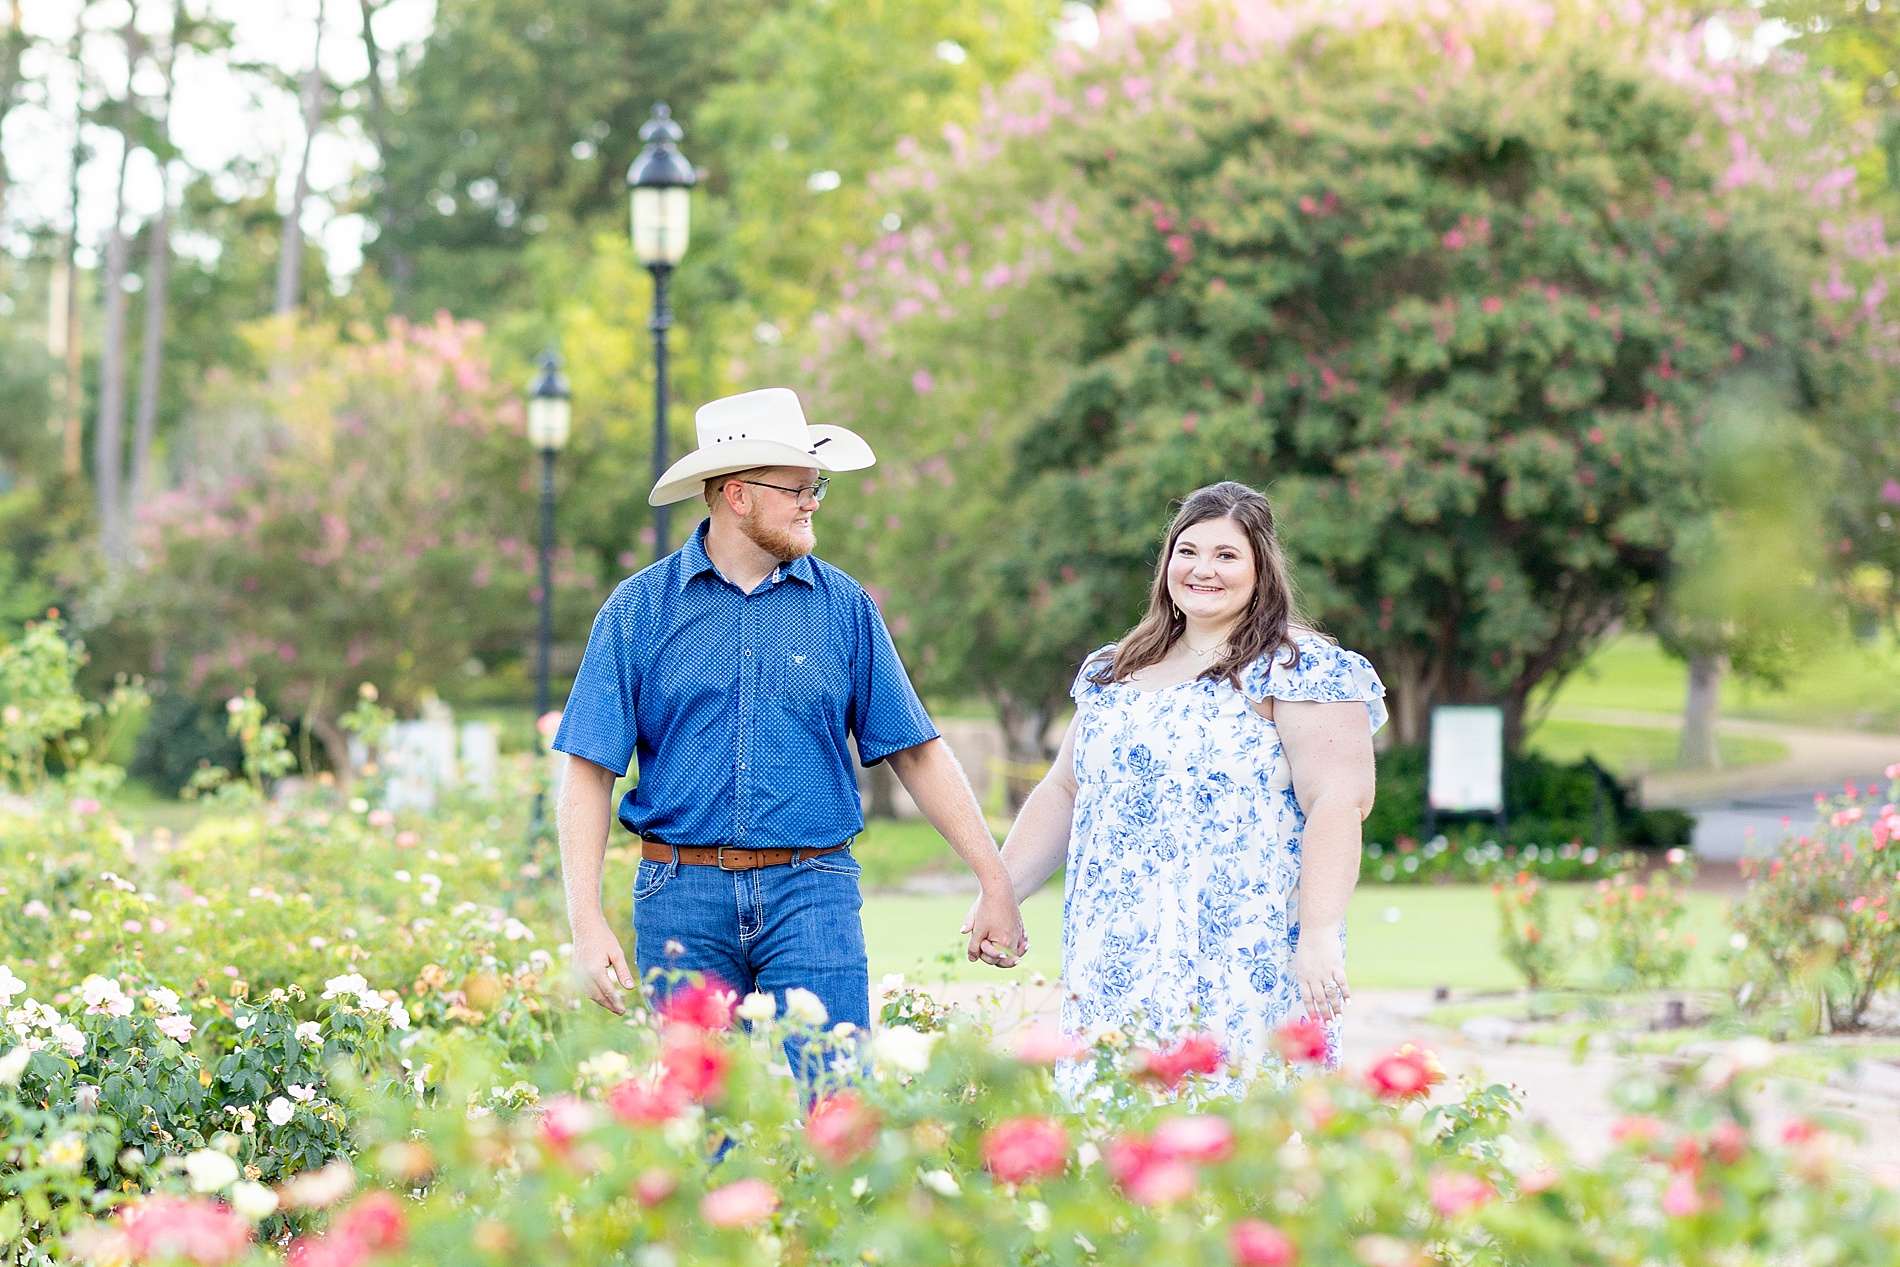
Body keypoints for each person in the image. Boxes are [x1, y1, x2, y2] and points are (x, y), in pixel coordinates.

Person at [555, 387, 1026, 1033]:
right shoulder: (638, 611)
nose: (812, 502)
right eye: (795, 488)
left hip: (814, 891)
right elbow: (588, 770)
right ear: (736, 495)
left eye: (817, 486)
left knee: (833, 1102)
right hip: (680, 897)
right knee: (699, 1118)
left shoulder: (845, 607)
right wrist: (586, 922)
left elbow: (916, 751)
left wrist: (994, 878)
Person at [967, 481, 1385, 1085]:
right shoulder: (1115, 669)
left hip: (1244, 952)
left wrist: (1319, 934)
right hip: (1115, 955)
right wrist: (1000, 891)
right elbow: (1065, 791)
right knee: (1116, 1134)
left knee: (1234, 1139)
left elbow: (1339, 802)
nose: (1202, 569)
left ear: (1261, 568)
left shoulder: (1300, 667)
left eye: (1226, 555)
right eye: (1186, 552)